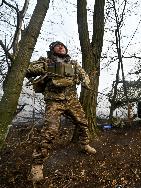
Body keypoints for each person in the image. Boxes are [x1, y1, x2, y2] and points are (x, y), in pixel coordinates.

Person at [25, 41, 96, 182]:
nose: (61, 47)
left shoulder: (73, 64)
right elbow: (28, 69)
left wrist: (86, 82)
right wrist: (49, 68)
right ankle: (37, 165)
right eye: (57, 46)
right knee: (50, 131)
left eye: (63, 45)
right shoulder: (45, 61)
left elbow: (83, 74)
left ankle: (83, 144)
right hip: (54, 101)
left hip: (71, 100)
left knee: (83, 123)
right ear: (52, 50)